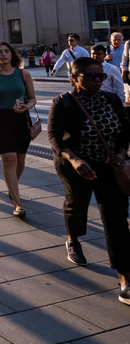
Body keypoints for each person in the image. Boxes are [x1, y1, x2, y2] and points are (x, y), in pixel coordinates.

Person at [48, 57, 130, 306]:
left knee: (116, 220)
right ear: (74, 78)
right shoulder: (63, 102)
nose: (97, 80)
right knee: (77, 205)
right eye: (90, 76)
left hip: (109, 167)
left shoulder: (112, 100)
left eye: (101, 76)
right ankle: (73, 238)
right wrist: (73, 160)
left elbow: (125, 131)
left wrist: (120, 154)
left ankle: (125, 280)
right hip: (76, 166)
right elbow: (54, 136)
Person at [0, 42, 36, 218]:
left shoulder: (24, 74)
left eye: (6, 51)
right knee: (9, 158)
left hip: (21, 119)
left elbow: (33, 98)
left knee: (20, 159)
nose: (3, 55)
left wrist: (27, 106)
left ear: (12, 55)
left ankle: (13, 187)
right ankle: (17, 204)